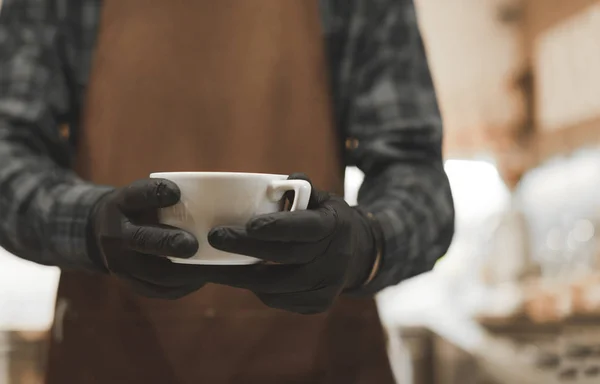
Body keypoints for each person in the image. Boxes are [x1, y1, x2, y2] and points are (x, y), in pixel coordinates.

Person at [0, 0, 455, 383]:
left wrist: (366, 242)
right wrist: (90, 223)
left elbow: (416, 171)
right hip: (112, 355)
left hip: (322, 359)